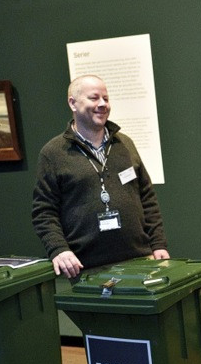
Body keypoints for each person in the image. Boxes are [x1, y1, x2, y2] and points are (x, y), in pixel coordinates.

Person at [32, 75, 169, 278]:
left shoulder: (125, 145)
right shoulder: (53, 153)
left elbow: (147, 197)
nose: (103, 104)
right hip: (87, 269)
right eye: (94, 98)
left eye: (106, 98)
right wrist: (58, 249)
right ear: (73, 103)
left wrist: (158, 243)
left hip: (141, 261)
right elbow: (43, 212)